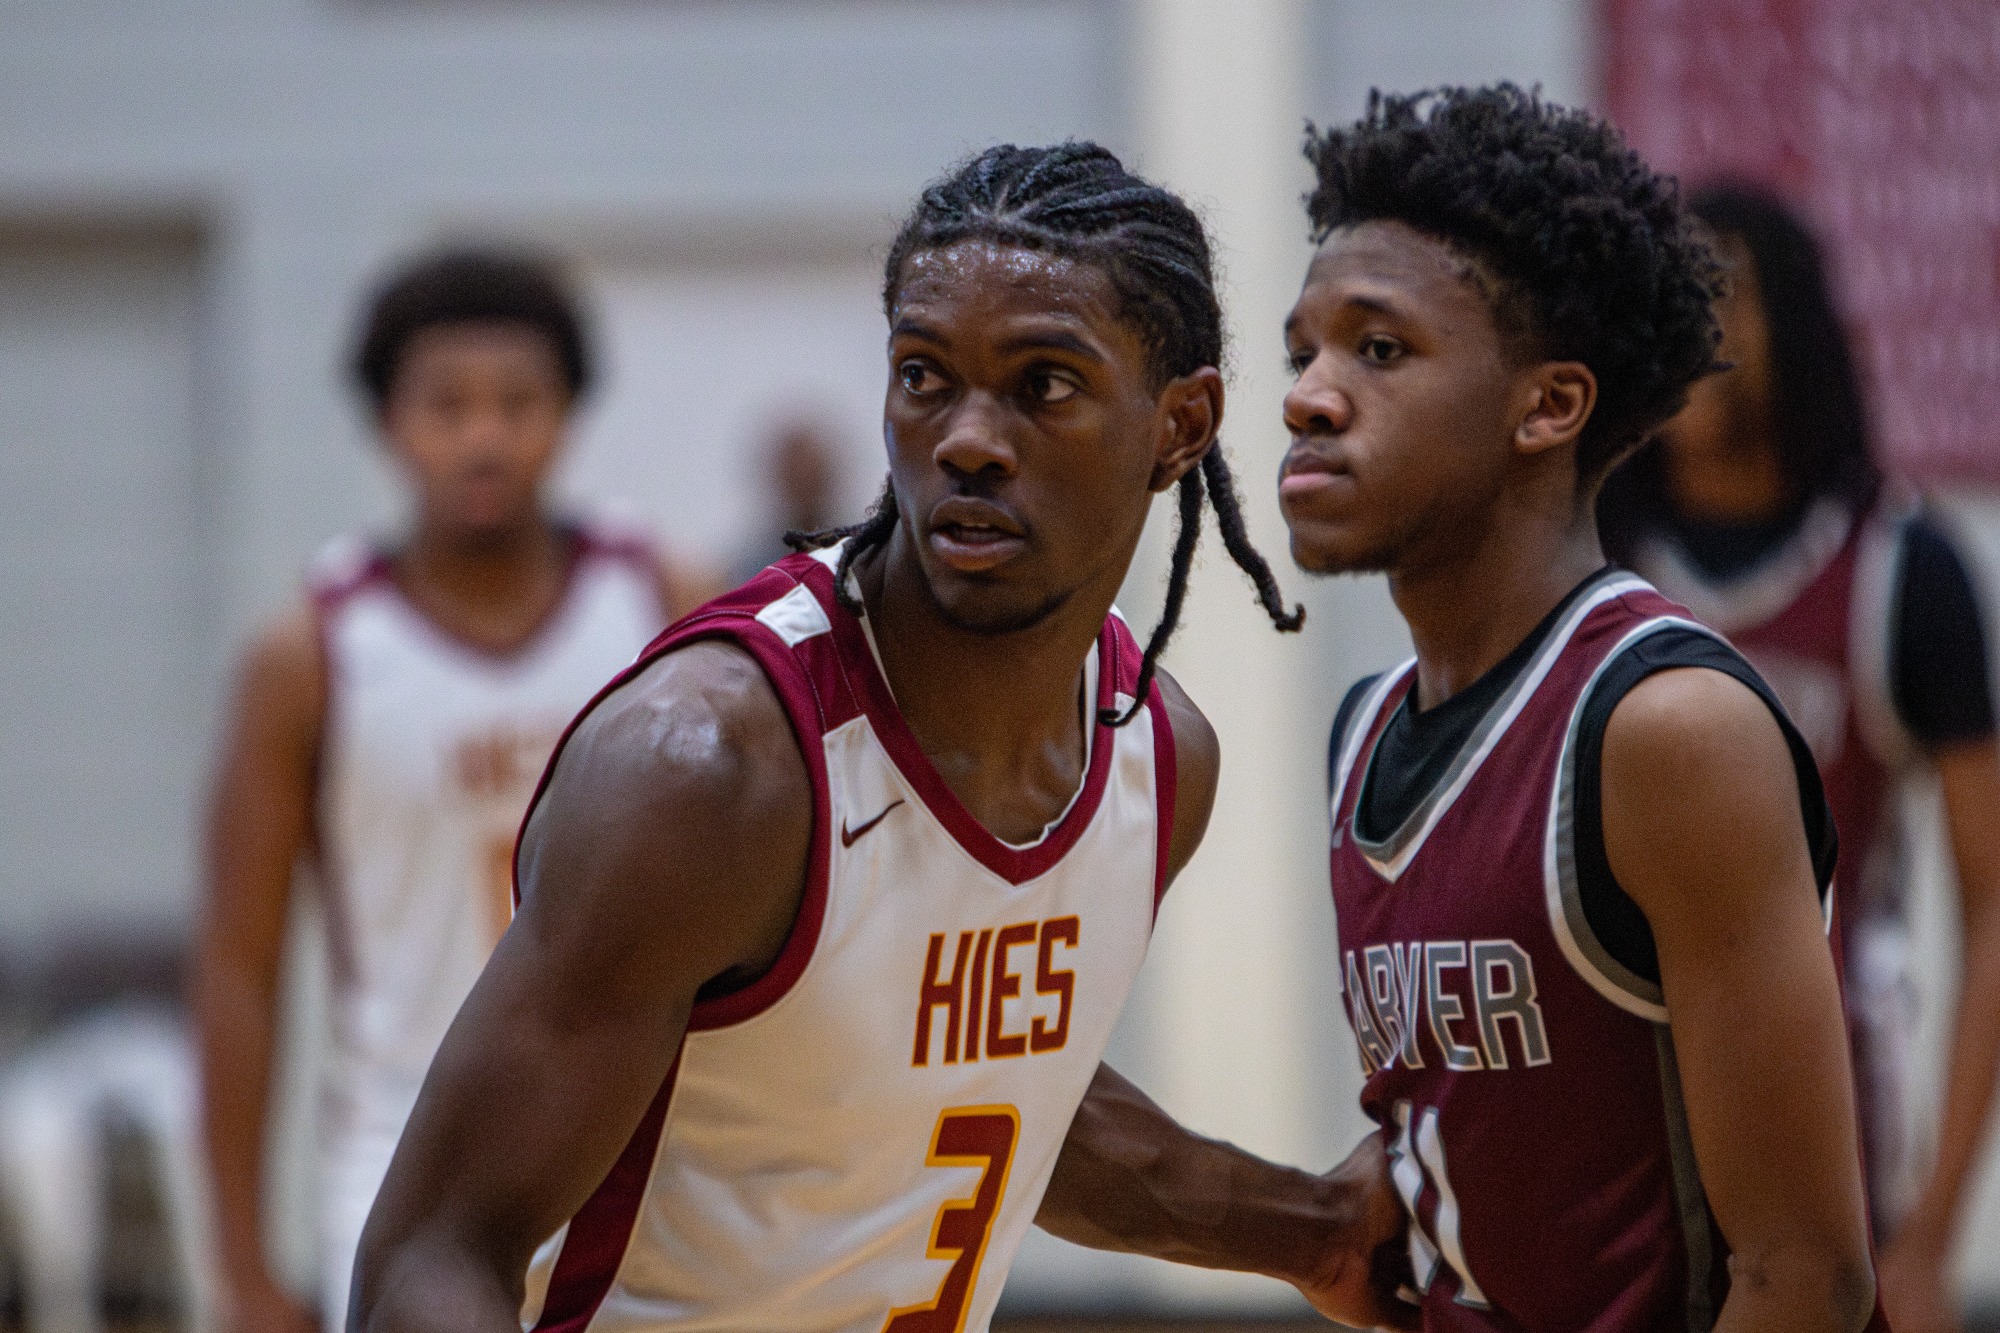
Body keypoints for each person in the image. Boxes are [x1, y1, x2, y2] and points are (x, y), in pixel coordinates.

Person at [348, 143, 1411, 1333]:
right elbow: (425, 1259)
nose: (965, 436)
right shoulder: (711, 769)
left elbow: (964, 1092)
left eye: (1042, 385)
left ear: (1181, 424)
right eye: (922, 376)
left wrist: (1315, 1231)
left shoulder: (1157, 758)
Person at [1279, 86, 1888, 1329]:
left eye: (1377, 350)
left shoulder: (1664, 730)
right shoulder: (1364, 734)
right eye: (1305, 350)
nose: (1309, 395)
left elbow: (1802, 1275)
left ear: (1546, 406)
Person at [193, 248, 703, 1333]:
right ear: (387, 423)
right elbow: (239, 966)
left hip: (640, 1141)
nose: (483, 436)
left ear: (567, 415)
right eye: (447, 405)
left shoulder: (666, 601)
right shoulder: (308, 654)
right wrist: (238, 1264)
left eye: (518, 403)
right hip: (404, 1149)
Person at [1599, 184, 2000, 1333]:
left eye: (1720, 297)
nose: (1697, 334)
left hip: (1834, 1144)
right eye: (1670, 304)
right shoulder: (1590, 551)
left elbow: (1989, 907)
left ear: (1793, 322)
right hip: (1613, 1147)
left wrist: (1926, 1235)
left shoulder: (1899, 564)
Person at [732, 419, 846, 585]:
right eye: (796, 478)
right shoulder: (753, 565)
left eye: (812, 477)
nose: (805, 484)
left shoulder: (856, 552)